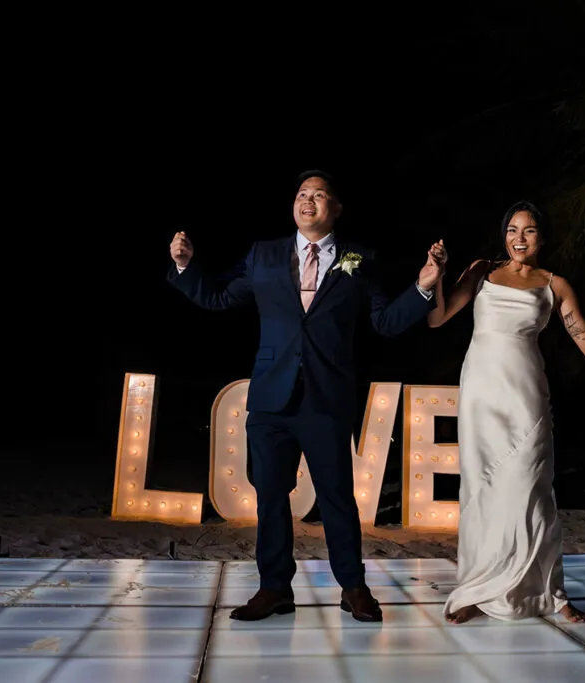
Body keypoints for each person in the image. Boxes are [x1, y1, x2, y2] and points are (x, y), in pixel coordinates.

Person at [168, 170, 446, 622]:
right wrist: (185, 266)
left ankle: (353, 587)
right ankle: (274, 588)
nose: (308, 201)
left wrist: (424, 286)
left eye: (319, 195)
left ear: (335, 208)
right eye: (302, 194)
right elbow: (218, 298)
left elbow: (386, 322)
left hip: (325, 398)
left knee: (337, 497)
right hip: (271, 399)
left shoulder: (359, 258)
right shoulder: (265, 255)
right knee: (271, 497)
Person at [426, 199, 585, 624]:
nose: (520, 238)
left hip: (526, 397)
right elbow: (438, 319)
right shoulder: (482, 271)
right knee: (480, 492)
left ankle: (553, 594)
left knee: (532, 491)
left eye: (530, 230)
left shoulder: (555, 285)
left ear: (542, 237)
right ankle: (474, 590)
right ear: (504, 235)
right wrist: (438, 277)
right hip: (481, 394)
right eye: (513, 229)